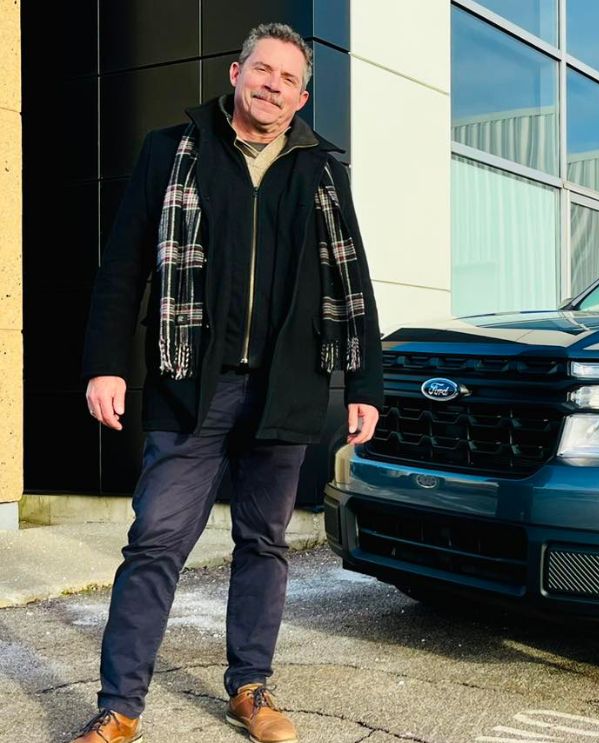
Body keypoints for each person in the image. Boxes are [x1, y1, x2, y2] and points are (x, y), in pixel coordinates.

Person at [72, 22, 382, 743]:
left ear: (302, 96)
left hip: (287, 387)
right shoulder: (173, 150)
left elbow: (352, 280)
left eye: (288, 78)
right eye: (262, 70)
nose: (273, 85)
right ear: (236, 72)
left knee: (264, 542)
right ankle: (120, 707)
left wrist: (365, 380)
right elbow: (123, 269)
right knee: (154, 539)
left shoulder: (321, 169)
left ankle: (250, 686)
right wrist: (105, 363)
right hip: (191, 384)